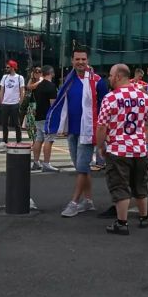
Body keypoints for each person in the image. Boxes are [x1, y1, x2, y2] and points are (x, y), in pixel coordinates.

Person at [45, 46, 109, 217]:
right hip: (72, 131)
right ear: (72, 61)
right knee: (82, 168)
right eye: (77, 59)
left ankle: (73, 203)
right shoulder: (69, 80)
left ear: (88, 61)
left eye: (83, 59)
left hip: (88, 132)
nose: (80, 62)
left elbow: (106, 106)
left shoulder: (97, 81)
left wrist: (104, 132)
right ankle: (88, 202)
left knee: (81, 168)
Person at [96, 64, 148, 235]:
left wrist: (101, 146)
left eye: (111, 75)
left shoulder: (111, 98)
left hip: (118, 149)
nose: (109, 78)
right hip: (139, 148)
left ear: (118, 76)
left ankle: (122, 223)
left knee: (120, 185)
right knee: (140, 184)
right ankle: (145, 218)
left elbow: (101, 126)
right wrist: (142, 135)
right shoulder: (143, 97)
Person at [27, 65, 59, 172]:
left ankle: (36, 162)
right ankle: (46, 163)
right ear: (52, 73)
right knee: (49, 140)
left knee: (38, 139)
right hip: (47, 117)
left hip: (38, 115)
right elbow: (53, 104)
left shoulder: (38, 86)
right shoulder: (51, 86)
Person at [0, 59, 25, 144]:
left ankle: (19, 140)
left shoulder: (19, 78)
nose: (6, 68)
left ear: (13, 68)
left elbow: (22, 91)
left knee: (17, 123)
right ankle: (4, 140)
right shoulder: (5, 77)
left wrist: (20, 102)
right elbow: (2, 90)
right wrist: (1, 101)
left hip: (15, 103)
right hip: (5, 103)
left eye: (8, 67)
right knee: (4, 123)